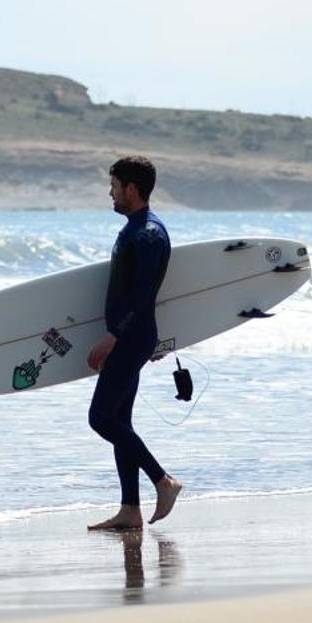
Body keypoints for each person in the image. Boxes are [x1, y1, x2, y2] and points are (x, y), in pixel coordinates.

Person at [85, 156, 183, 531]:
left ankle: (164, 481)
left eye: (114, 185)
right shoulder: (137, 228)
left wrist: (114, 337)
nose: (110, 192)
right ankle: (130, 509)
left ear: (132, 189)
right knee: (119, 420)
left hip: (129, 337)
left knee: (101, 418)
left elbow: (144, 295)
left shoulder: (148, 234)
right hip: (133, 337)